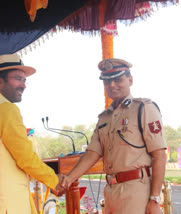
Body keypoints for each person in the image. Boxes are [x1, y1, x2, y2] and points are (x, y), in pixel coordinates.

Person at [58, 58, 167, 214]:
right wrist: (68, 179)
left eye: (118, 80)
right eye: (107, 82)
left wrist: (155, 199)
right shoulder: (104, 117)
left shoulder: (143, 108)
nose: (112, 85)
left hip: (137, 191)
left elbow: (159, 155)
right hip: (111, 191)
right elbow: (92, 154)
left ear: (130, 80)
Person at [0, 53, 63, 214]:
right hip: (6, 204)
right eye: (18, 78)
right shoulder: (5, 108)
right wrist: (54, 180)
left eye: (24, 80)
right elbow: (25, 157)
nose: (23, 85)